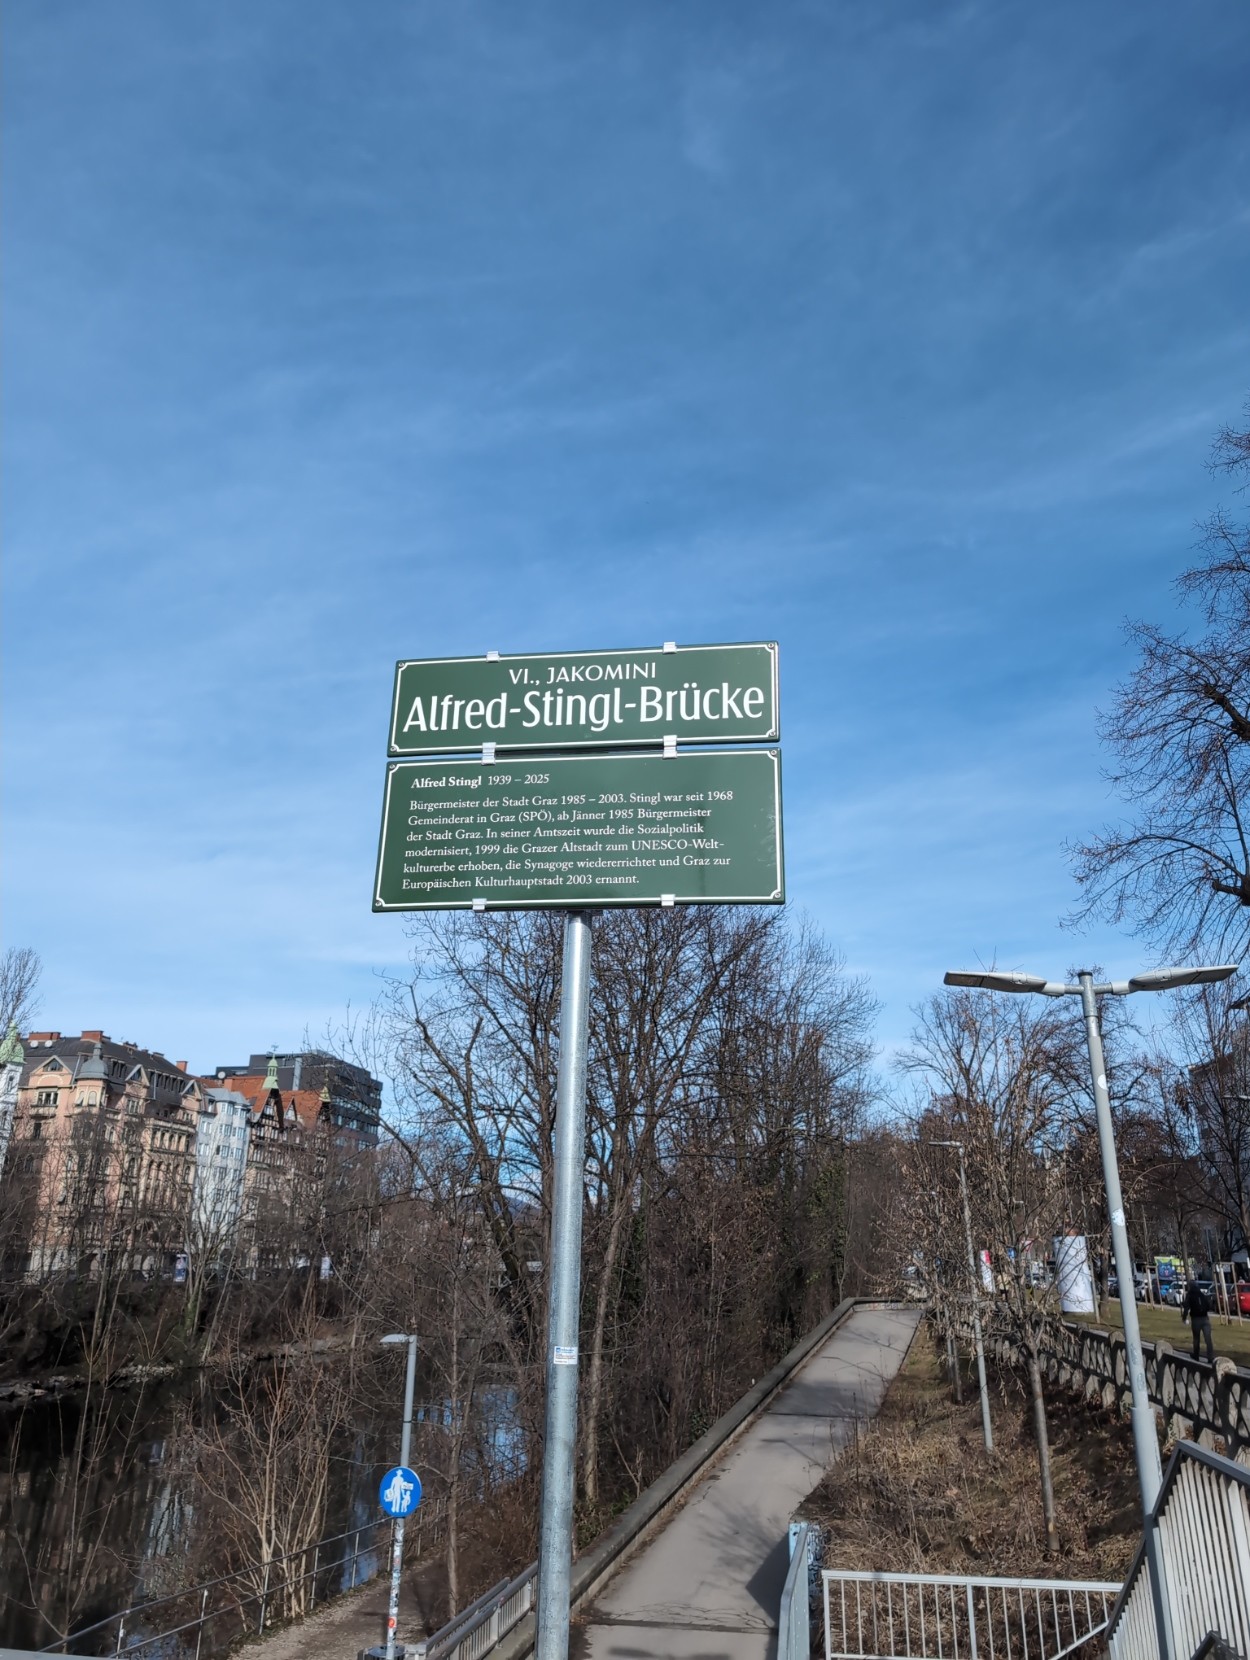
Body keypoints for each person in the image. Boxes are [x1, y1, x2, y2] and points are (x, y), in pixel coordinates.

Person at [1181, 1279, 1215, 1363]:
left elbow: (1186, 1308)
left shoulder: (1190, 1295)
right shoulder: (1201, 1294)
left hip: (1196, 1319)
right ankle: (1210, 1357)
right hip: (1205, 1318)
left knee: (1196, 1338)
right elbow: (1208, 1305)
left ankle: (1196, 1355)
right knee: (1208, 1339)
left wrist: (1184, 1318)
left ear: (1189, 1286)